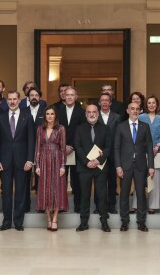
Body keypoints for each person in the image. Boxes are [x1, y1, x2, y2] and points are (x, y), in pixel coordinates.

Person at [0, 91, 35, 231]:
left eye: (14, 99)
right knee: (5, 192)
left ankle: (18, 222)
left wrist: (30, 160)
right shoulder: (0, 118)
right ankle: (6, 222)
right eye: (9, 99)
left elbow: (31, 140)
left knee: (21, 192)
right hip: (4, 161)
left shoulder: (27, 117)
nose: (12, 102)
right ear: (6, 102)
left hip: (22, 161)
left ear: (19, 100)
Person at [115, 102, 154, 232]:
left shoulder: (145, 126)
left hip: (141, 165)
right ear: (127, 110)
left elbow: (149, 146)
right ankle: (124, 222)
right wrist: (118, 166)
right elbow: (116, 147)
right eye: (132, 108)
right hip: (125, 166)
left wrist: (151, 166)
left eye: (137, 109)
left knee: (141, 194)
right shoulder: (120, 127)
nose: (135, 111)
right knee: (124, 194)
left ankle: (141, 222)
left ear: (140, 111)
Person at [75, 104, 111, 232]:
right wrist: (86, 162)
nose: (91, 114)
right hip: (84, 167)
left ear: (98, 113)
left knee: (102, 195)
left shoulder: (106, 129)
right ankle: (83, 222)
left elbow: (108, 147)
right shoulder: (79, 129)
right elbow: (77, 146)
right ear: (86, 114)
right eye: (89, 112)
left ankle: (104, 221)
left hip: (100, 167)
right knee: (84, 196)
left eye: (94, 112)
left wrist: (98, 160)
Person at [131, 95, 160, 214]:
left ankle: (153, 206)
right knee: (139, 178)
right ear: (146, 105)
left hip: (157, 152)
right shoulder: (141, 117)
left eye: (153, 103)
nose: (151, 105)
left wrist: (157, 147)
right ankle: (136, 205)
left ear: (157, 105)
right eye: (149, 103)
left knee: (154, 179)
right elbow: (136, 133)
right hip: (142, 152)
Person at [35, 105, 67, 231]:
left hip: (57, 160)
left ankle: (55, 218)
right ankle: (48, 218)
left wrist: (63, 165)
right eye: (47, 114)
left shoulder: (61, 129)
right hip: (43, 160)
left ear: (55, 116)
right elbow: (37, 148)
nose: (49, 116)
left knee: (57, 189)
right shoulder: (40, 129)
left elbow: (63, 148)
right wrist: (37, 165)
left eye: (52, 114)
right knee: (45, 189)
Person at [58, 86, 86, 213]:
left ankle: (78, 206)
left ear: (76, 97)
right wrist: (63, 146)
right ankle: (62, 206)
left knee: (76, 180)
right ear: (64, 96)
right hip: (60, 149)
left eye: (71, 95)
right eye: (67, 95)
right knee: (61, 179)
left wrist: (73, 146)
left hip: (76, 151)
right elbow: (55, 130)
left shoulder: (82, 112)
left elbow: (82, 132)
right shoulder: (57, 111)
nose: (69, 97)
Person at [96, 93, 121, 214]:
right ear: (99, 103)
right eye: (102, 100)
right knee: (98, 182)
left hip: (112, 153)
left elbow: (118, 135)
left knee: (112, 181)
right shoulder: (94, 116)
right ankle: (98, 206)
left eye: (107, 100)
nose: (105, 102)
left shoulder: (117, 117)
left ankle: (111, 205)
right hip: (98, 153)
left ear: (110, 103)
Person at [24, 86, 45, 200]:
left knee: (40, 176)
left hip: (41, 148)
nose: (34, 97)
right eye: (31, 95)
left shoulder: (46, 111)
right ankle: (26, 204)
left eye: (36, 95)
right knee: (25, 177)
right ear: (28, 98)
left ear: (40, 98)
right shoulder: (23, 111)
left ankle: (40, 203)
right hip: (25, 148)